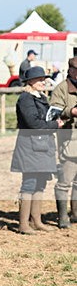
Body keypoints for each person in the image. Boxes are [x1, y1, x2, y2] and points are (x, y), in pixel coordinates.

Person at [10, 66, 64, 234]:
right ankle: (23, 224)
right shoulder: (26, 99)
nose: (43, 82)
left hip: (41, 145)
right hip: (30, 146)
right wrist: (54, 125)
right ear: (31, 82)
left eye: (44, 79)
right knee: (30, 184)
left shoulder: (40, 97)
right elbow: (33, 123)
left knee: (40, 183)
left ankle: (36, 220)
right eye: (40, 79)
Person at [49, 56, 77, 228]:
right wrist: (71, 111)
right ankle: (63, 217)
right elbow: (53, 113)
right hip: (69, 142)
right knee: (64, 182)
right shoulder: (61, 89)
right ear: (72, 70)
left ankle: (75, 213)